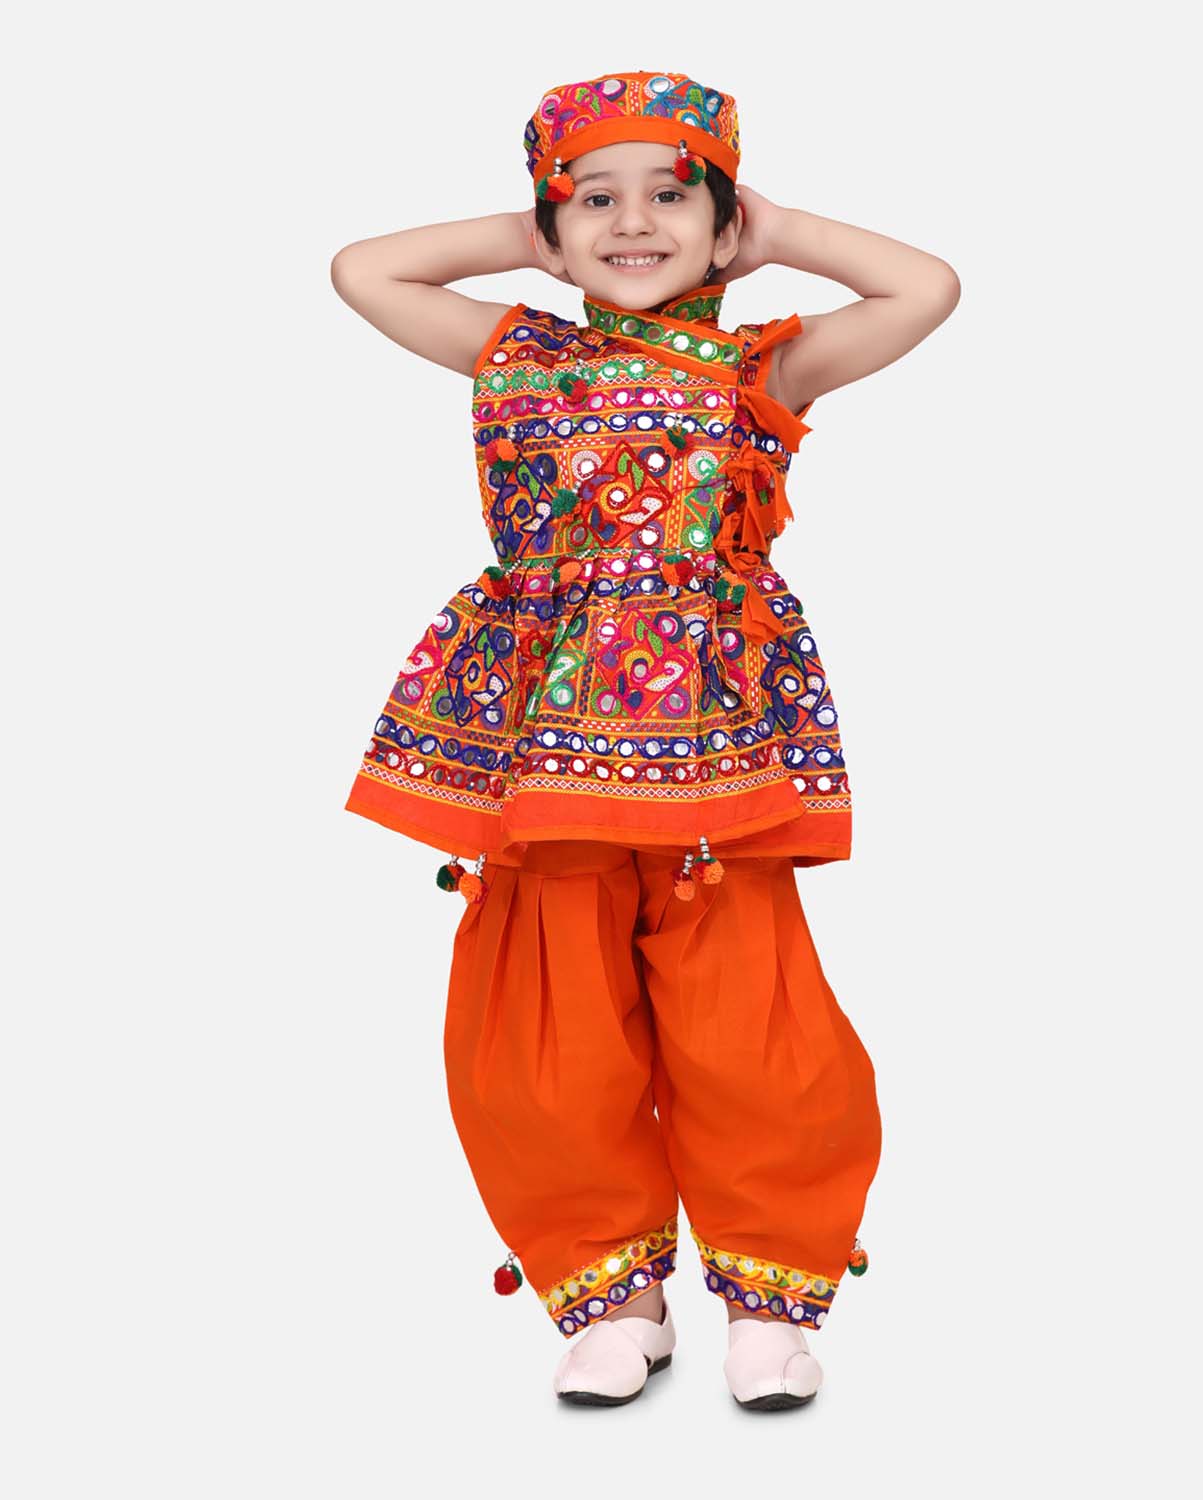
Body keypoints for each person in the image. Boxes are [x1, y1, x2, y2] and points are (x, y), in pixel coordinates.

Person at [331, 69, 959, 1410]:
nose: (632, 223)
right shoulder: (515, 350)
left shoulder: (759, 365)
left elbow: (924, 289)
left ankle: (769, 1297)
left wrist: (774, 232)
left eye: (672, 196)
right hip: (542, 747)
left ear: (725, 223)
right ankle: (610, 1296)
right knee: (548, 1025)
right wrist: (530, 238)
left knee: (749, 1020)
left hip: (714, 751)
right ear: (550, 228)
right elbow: (361, 269)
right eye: (593, 200)